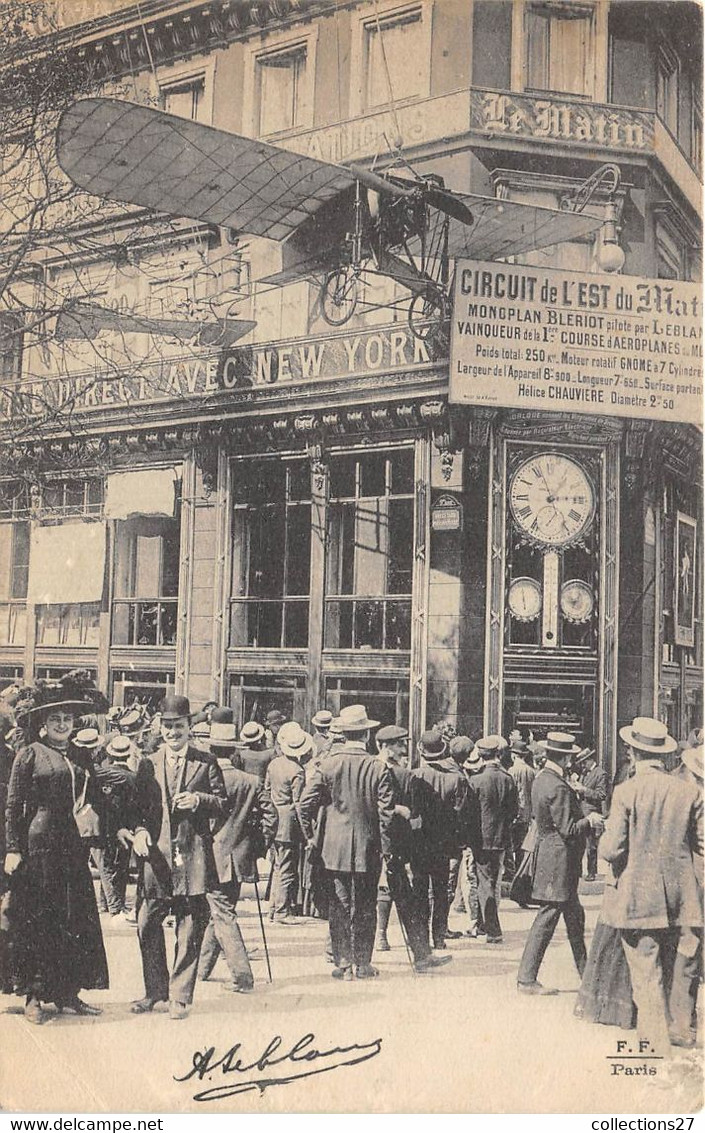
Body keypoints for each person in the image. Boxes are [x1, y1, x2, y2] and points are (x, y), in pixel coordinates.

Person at [4, 672, 110, 1024]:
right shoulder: (29, 755)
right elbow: (14, 804)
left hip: (72, 845)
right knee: (41, 918)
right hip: (39, 845)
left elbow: (92, 796)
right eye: (55, 719)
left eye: (67, 719)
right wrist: (13, 848)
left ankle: (68, 993)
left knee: (73, 916)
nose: (63, 724)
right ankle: (34, 995)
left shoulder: (81, 755)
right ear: (42, 724)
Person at [600, 717, 703, 1054]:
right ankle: (681, 1033)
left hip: (637, 897)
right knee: (678, 966)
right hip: (682, 898)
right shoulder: (690, 792)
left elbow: (612, 848)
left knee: (646, 972)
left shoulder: (625, 792)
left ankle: (654, 1045)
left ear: (632, 752)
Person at [125, 694, 227, 1020]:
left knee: (191, 924)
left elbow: (223, 804)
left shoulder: (206, 761)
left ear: (189, 728)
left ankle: (180, 995)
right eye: (167, 726)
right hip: (158, 856)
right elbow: (137, 811)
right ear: (160, 727)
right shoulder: (147, 764)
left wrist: (198, 800)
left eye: (179, 726)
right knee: (146, 921)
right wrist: (140, 832)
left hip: (192, 854)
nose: (172, 732)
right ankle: (155, 991)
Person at [298, 704, 394, 980]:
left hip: (332, 848)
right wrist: (388, 850)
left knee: (338, 904)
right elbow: (386, 815)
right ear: (365, 735)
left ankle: (342, 963)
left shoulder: (326, 765)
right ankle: (363, 964)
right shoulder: (378, 767)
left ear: (342, 735)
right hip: (369, 846)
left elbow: (304, 806)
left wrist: (312, 837)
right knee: (366, 905)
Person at [517, 732, 604, 996]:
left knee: (575, 918)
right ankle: (526, 979)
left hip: (553, 858)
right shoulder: (557, 786)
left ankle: (587, 977)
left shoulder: (543, 779)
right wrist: (591, 821)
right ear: (565, 757)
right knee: (547, 918)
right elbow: (569, 829)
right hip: (559, 862)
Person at [198, 708, 276, 993]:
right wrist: (257, 846)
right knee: (220, 911)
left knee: (222, 915)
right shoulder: (251, 781)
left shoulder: (201, 780)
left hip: (209, 858)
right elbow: (272, 817)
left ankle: (243, 977)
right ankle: (201, 970)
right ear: (233, 751)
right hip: (239, 859)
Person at [373, 725, 451, 973]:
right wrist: (401, 812)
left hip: (375, 842)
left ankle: (404, 947)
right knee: (402, 899)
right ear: (385, 747)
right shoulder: (405, 776)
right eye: (398, 744)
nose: (403, 748)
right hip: (392, 844)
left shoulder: (375, 769)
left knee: (381, 894)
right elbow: (413, 817)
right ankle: (420, 954)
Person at [412, 730, 471, 951]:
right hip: (443, 844)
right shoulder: (455, 780)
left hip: (419, 843)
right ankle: (439, 936)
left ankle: (420, 938)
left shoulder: (414, 775)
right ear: (444, 750)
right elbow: (461, 815)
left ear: (420, 750)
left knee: (419, 891)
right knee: (440, 891)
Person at [466, 735, 518, 944]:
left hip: (480, 839)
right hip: (501, 838)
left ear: (480, 755)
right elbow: (514, 811)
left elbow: (468, 813)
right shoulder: (507, 779)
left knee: (484, 882)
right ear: (498, 754)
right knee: (492, 881)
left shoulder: (475, 780)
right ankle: (483, 923)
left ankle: (492, 929)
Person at [264, 721, 309, 925]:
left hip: (274, 818)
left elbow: (265, 790)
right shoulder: (297, 770)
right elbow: (299, 803)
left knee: (277, 865)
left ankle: (273, 907)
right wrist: (307, 830)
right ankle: (282, 911)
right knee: (287, 867)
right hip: (289, 822)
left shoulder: (274, 764)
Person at [571, 746, 609, 880]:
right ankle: (579, 871)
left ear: (590, 760)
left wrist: (584, 790)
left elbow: (601, 795)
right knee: (580, 843)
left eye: (583, 762)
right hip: (582, 812)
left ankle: (592, 872)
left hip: (593, 813)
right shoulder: (584, 773)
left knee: (591, 844)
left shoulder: (601, 774)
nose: (582, 765)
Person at [508, 736, 535, 875]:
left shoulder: (512, 771)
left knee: (511, 844)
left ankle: (512, 873)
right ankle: (521, 871)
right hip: (527, 814)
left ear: (514, 755)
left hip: (515, 813)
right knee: (522, 845)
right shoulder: (531, 771)